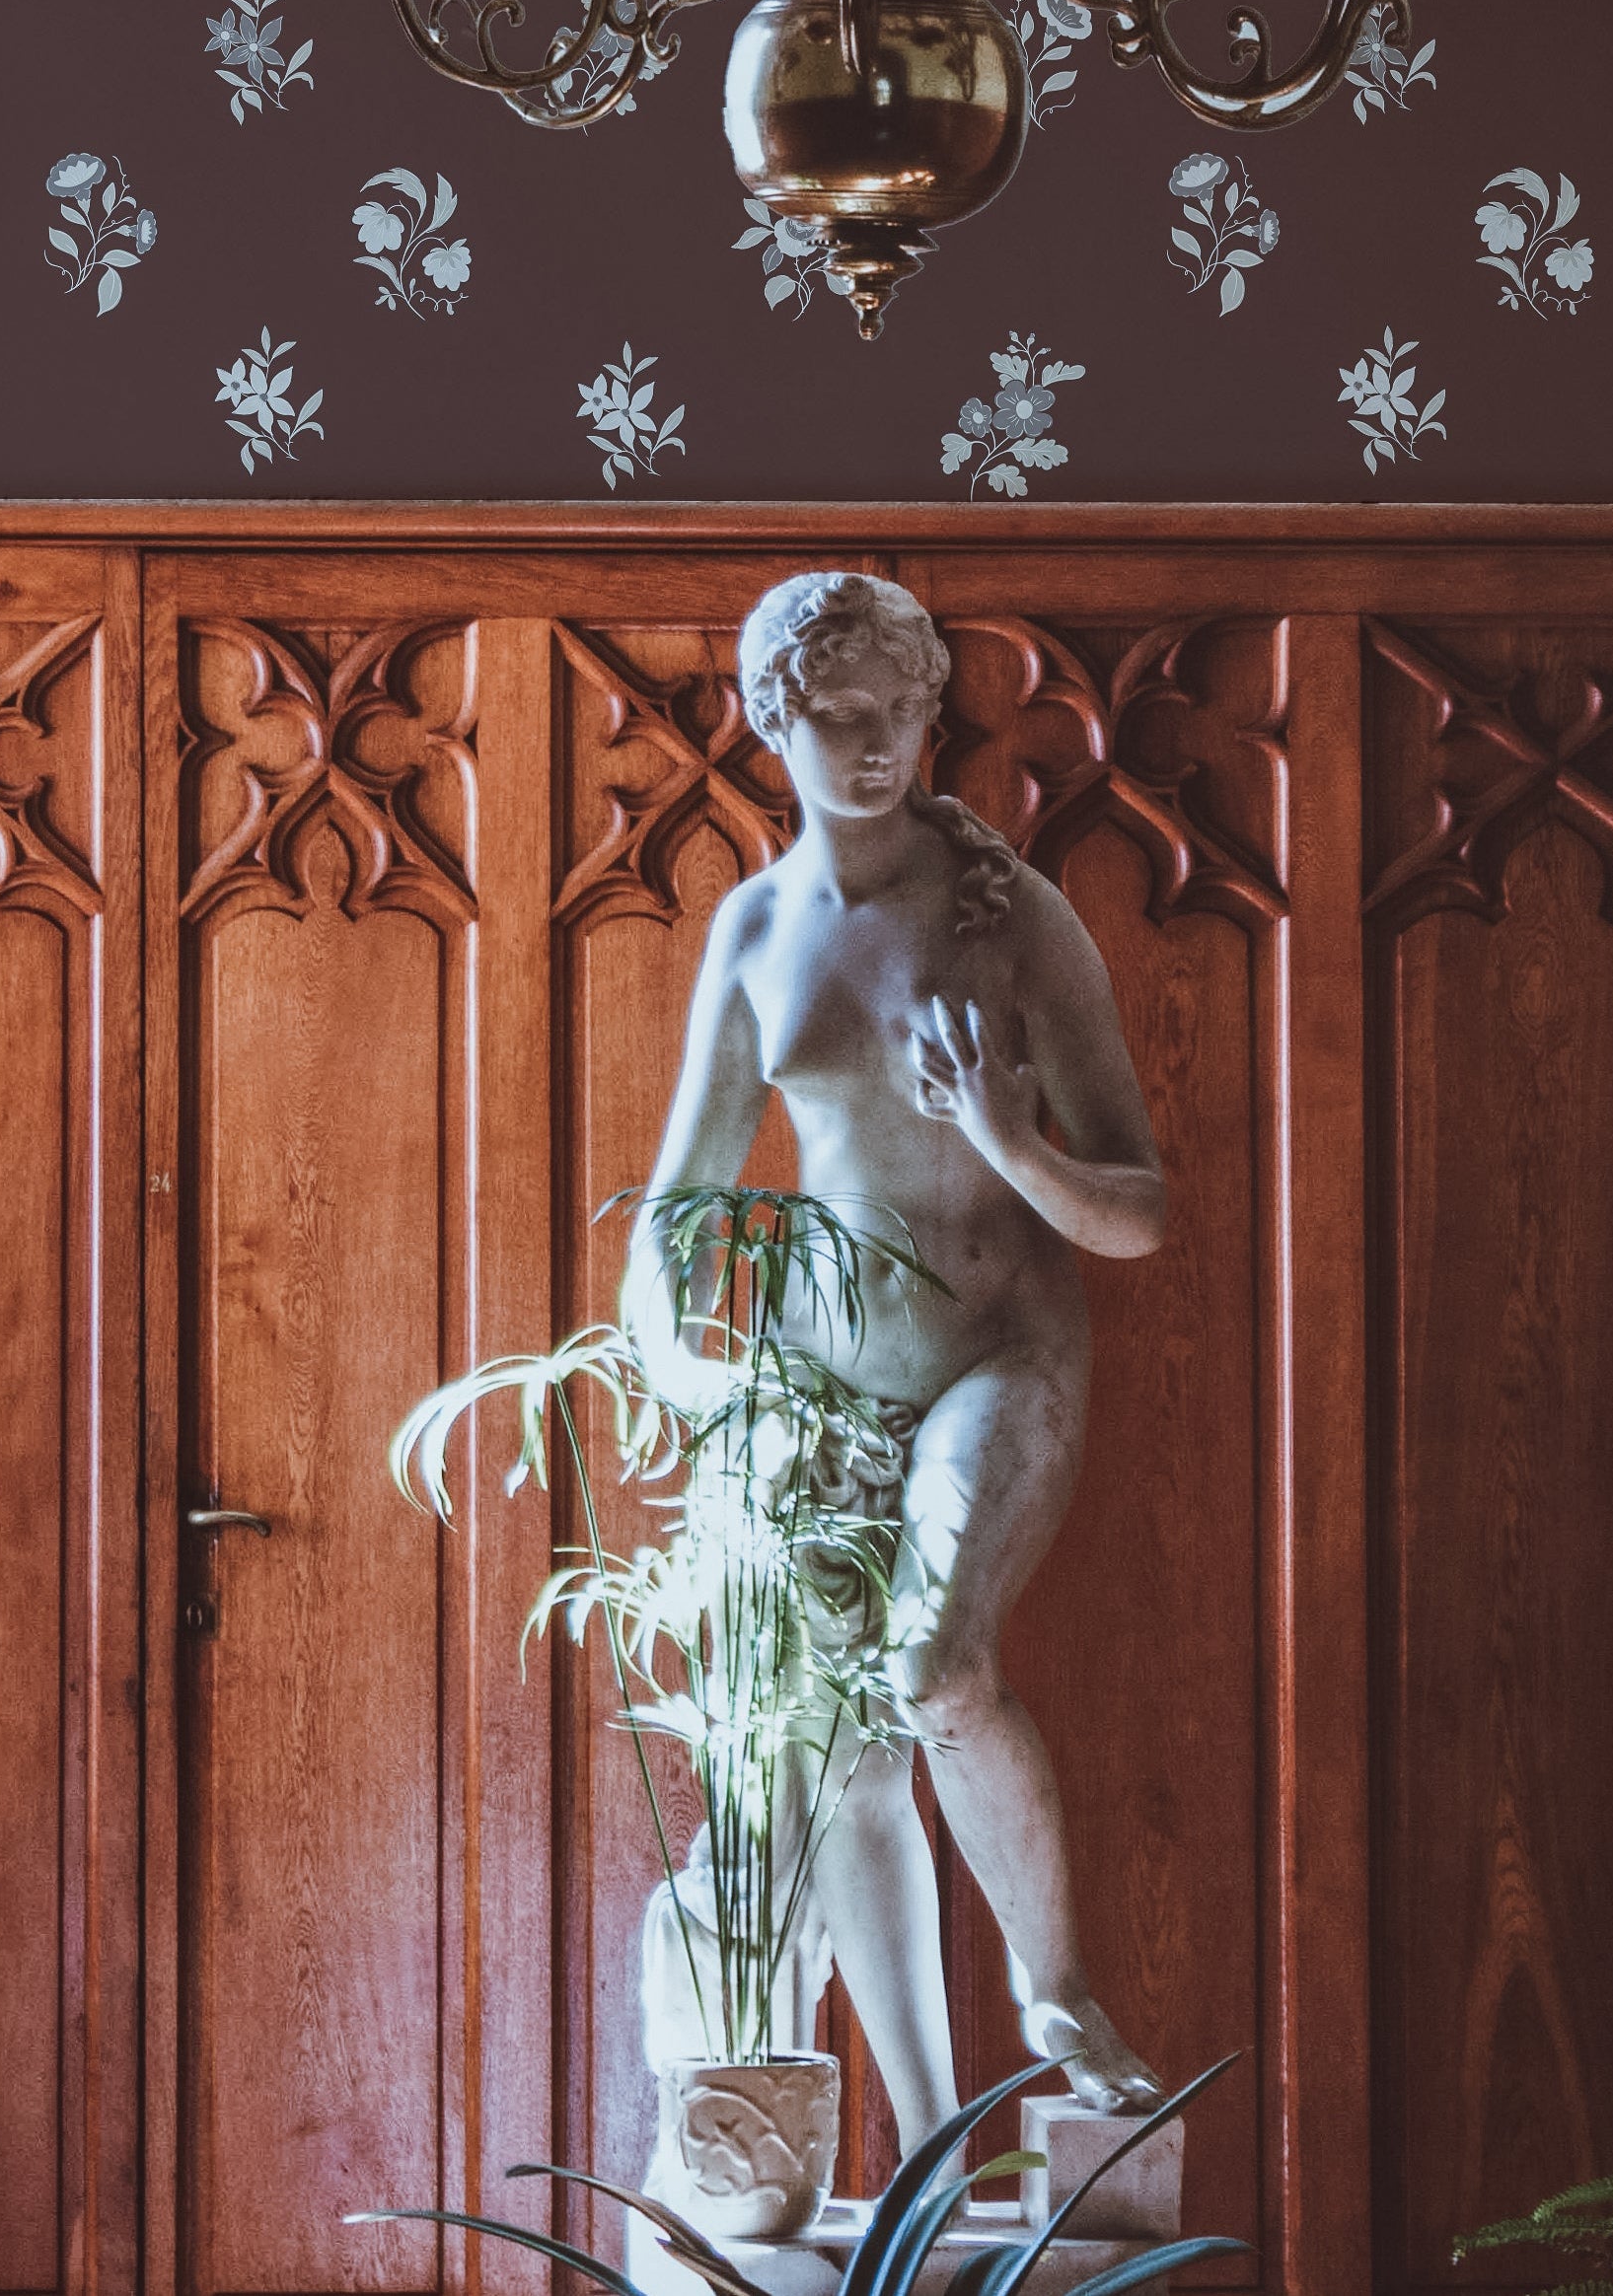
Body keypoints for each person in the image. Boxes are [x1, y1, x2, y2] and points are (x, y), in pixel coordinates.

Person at [621, 571, 1167, 2152]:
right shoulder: (755, 928)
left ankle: (1056, 1991)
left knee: (931, 1669)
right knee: (840, 1763)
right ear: (775, 722)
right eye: (838, 717)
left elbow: (1139, 1210)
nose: (872, 748)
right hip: (812, 1382)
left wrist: (1013, 1143)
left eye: (903, 716)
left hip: (1001, 1347)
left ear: (939, 718)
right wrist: (687, 1370)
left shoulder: (1014, 915)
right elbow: (679, 1206)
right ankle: (935, 2147)